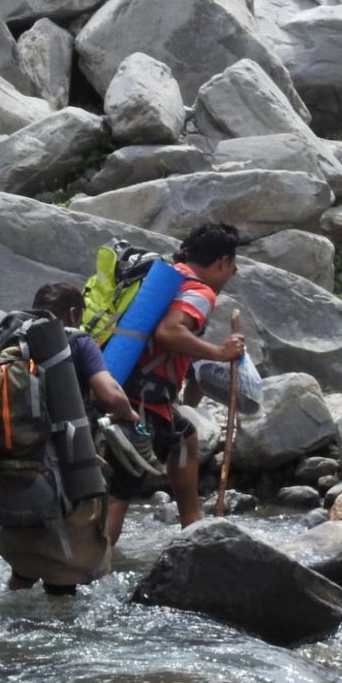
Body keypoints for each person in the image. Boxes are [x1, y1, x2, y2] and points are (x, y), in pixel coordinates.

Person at [0, 282, 145, 596]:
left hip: (10, 465)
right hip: (67, 469)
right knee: (63, 574)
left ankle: (14, 601)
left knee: (23, 565)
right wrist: (129, 414)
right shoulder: (76, 340)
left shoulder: (7, 339)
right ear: (73, 313)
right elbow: (108, 393)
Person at [104, 222, 246, 546]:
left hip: (120, 386)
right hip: (142, 401)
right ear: (222, 262)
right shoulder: (200, 291)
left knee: (186, 437)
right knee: (119, 492)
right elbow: (168, 332)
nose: (228, 276)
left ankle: (191, 527)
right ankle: (92, 570)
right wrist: (219, 352)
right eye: (232, 269)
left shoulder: (168, 278)